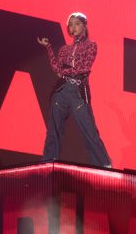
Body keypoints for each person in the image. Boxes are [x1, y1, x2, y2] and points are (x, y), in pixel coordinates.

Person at [37, 12, 112, 167]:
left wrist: (64, 72)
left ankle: (104, 166)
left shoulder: (91, 46)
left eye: (77, 23)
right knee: (53, 130)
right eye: (70, 25)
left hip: (77, 90)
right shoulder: (64, 49)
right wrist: (49, 47)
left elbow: (83, 68)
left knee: (89, 130)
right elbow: (57, 69)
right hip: (61, 91)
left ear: (84, 26)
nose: (73, 27)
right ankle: (47, 164)